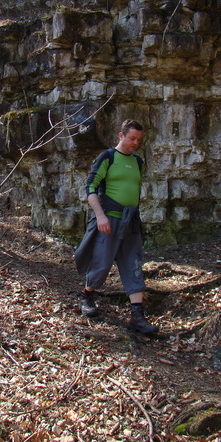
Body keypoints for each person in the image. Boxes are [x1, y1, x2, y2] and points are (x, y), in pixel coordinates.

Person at [75, 119, 158, 334]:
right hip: (108, 221)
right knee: (101, 263)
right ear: (121, 136)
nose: (135, 143)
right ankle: (87, 295)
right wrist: (100, 216)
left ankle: (137, 317)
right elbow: (91, 188)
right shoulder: (108, 157)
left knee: (133, 264)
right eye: (132, 138)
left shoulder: (138, 161)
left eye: (139, 140)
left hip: (130, 222)